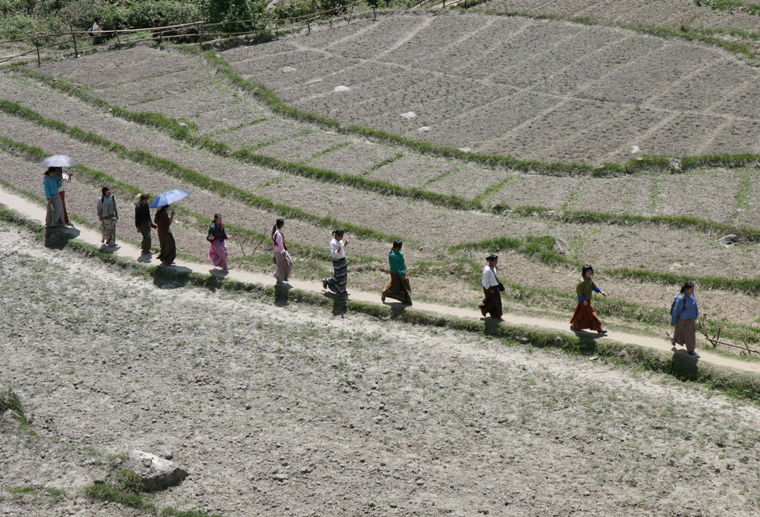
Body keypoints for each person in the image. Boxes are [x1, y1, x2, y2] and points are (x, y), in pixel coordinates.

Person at [570, 264, 608, 335]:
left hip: (588, 301)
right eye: (588, 271)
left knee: (580, 314)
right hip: (584, 301)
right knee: (592, 315)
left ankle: (574, 326)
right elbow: (579, 291)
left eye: (591, 271)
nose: (590, 272)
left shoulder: (589, 279)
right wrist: (583, 300)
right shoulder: (582, 281)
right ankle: (599, 329)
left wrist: (600, 291)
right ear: (585, 272)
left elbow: (594, 286)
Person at [669, 281, 700, 358]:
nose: (692, 291)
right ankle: (691, 350)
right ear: (686, 289)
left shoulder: (692, 295)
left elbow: (695, 305)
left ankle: (673, 338)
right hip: (684, 320)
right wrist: (673, 321)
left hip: (691, 318)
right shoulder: (681, 298)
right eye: (691, 289)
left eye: (693, 289)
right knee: (690, 334)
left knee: (680, 333)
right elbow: (676, 310)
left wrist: (696, 314)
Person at [381, 240, 412, 305]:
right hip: (395, 273)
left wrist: (404, 271)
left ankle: (405, 300)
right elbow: (396, 266)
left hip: (402, 272)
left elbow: (402, 264)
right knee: (396, 287)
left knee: (405, 285)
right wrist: (401, 274)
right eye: (400, 247)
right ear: (397, 247)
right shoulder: (392, 256)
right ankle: (385, 293)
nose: (400, 248)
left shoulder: (400, 254)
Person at [322, 229, 350, 296]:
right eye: (341, 236)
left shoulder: (339, 241)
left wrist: (345, 243)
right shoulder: (333, 243)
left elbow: (342, 248)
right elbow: (333, 254)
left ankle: (342, 291)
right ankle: (326, 281)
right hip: (336, 261)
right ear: (337, 235)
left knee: (343, 275)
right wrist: (337, 251)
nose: (342, 237)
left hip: (342, 259)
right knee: (338, 277)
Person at [479, 254, 503, 320]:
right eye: (495, 261)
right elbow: (484, 281)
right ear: (491, 261)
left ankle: (495, 315)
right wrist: (489, 289)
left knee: (496, 301)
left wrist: (495, 267)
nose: (496, 262)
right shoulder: (487, 270)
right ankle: (484, 308)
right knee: (494, 302)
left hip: (494, 287)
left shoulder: (493, 267)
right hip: (489, 288)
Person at [272, 218, 292, 284]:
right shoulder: (279, 234)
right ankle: (279, 280)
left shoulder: (277, 231)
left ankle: (284, 277)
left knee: (289, 263)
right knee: (282, 266)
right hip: (280, 252)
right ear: (282, 225)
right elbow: (280, 246)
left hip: (278, 251)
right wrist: (284, 255)